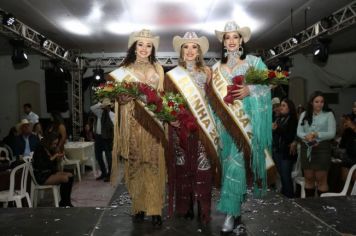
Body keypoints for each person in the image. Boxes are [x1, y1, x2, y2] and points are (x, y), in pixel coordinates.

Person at [208, 21, 272, 234]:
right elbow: (210, 101)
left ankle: (230, 214)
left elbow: (267, 87)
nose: (232, 41)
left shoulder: (254, 63)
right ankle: (234, 210)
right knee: (229, 169)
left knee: (236, 166)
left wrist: (250, 90)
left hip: (246, 126)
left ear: (242, 40)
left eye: (236, 37)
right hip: (224, 127)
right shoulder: (216, 69)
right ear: (224, 43)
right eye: (228, 37)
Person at [108, 29, 166, 226]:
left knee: (153, 163)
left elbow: (163, 96)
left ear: (152, 49)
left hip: (153, 123)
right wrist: (121, 99)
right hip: (133, 122)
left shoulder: (158, 68)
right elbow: (117, 97)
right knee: (135, 164)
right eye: (140, 44)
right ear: (134, 47)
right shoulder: (124, 69)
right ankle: (139, 206)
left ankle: (155, 208)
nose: (144, 48)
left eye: (148, 45)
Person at [166, 32, 218, 224]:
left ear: (199, 51)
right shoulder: (173, 75)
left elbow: (214, 101)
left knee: (202, 166)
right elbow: (168, 101)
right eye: (185, 47)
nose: (189, 50)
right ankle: (185, 206)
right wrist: (170, 118)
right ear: (181, 51)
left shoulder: (208, 72)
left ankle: (202, 207)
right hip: (181, 128)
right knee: (183, 167)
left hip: (203, 128)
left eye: (193, 47)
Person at [297, 91, 336, 197]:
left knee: (321, 179)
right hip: (307, 146)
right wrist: (307, 138)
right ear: (311, 103)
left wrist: (316, 134)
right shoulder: (304, 114)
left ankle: (322, 207)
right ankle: (310, 206)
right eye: (317, 101)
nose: (319, 104)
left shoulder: (329, 114)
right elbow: (299, 132)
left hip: (322, 149)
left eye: (322, 102)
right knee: (308, 178)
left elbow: (332, 133)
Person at [32, 132, 74, 207]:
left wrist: (57, 158)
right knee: (65, 178)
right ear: (48, 142)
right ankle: (64, 203)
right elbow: (42, 165)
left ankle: (65, 201)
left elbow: (52, 165)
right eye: (54, 143)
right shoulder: (39, 149)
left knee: (70, 175)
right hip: (42, 175)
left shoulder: (50, 149)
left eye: (56, 144)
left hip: (49, 172)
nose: (55, 145)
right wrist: (54, 157)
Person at [272, 98, 298, 198]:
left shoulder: (292, 119)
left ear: (289, 108)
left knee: (286, 177)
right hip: (278, 151)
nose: (280, 107)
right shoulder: (280, 118)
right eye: (280, 105)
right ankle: (285, 197)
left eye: (283, 105)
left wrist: (277, 129)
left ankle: (290, 199)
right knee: (282, 177)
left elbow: (289, 137)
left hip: (287, 153)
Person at [90, 98, 114, 182]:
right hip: (98, 137)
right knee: (98, 156)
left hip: (107, 138)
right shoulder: (100, 113)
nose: (105, 107)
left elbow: (113, 128)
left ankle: (109, 174)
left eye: (107, 106)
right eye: (104, 106)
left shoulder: (112, 115)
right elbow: (92, 108)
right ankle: (103, 172)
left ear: (109, 106)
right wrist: (101, 104)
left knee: (108, 157)